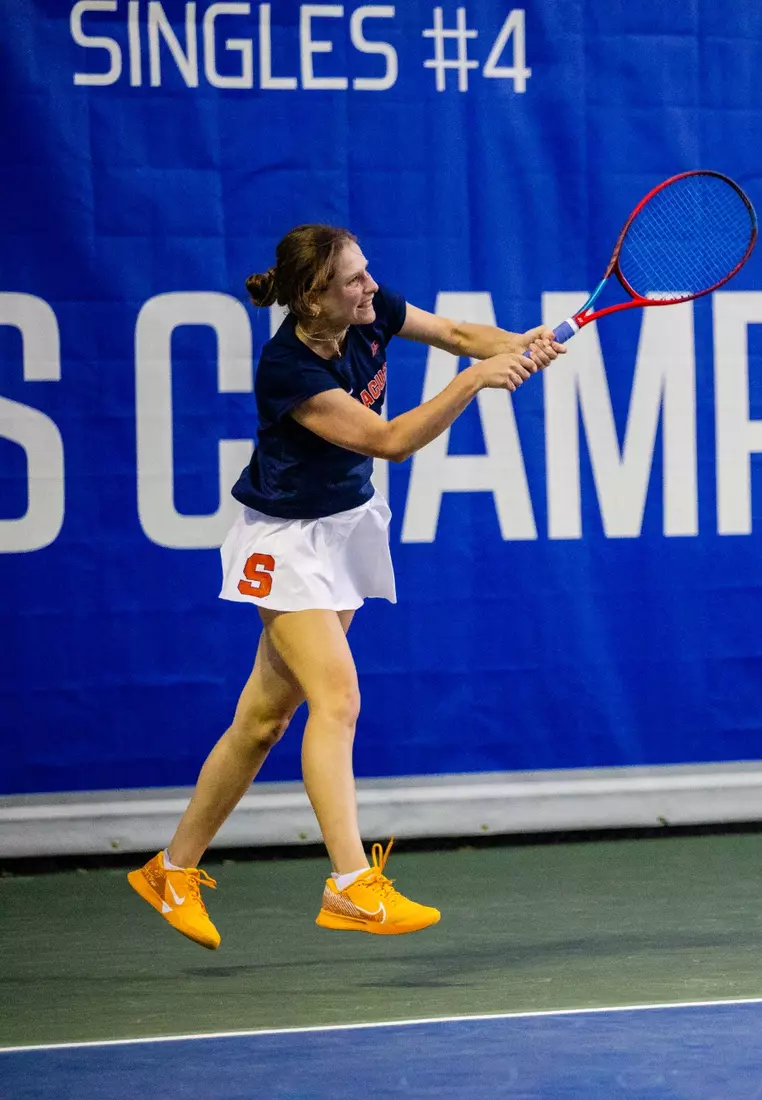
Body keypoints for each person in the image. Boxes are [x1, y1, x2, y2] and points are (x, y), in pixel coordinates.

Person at [126, 224, 561, 949]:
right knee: (339, 698)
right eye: (352, 279)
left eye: (366, 272)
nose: (370, 286)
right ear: (310, 300)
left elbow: (456, 332)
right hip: (285, 544)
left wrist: (517, 343)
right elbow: (388, 442)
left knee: (264, 720)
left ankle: (171, 871)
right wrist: (473, 382)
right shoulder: (287, 370)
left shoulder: (366, 308)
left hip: (344, 530)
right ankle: (352, 885)